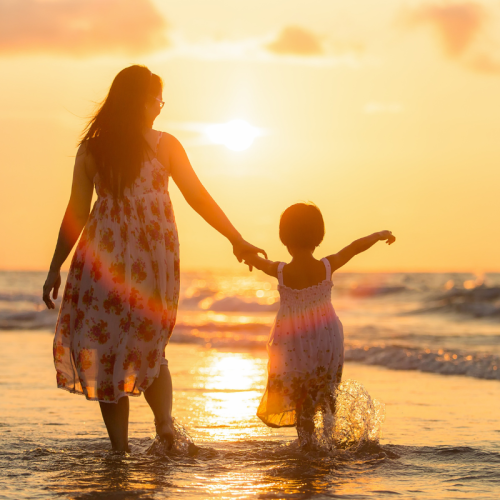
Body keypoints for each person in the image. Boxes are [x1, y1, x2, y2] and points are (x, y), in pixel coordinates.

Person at [42, 65, 265, 452]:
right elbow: (197, 196)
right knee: (148, 344)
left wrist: (55, 266)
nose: (161, 107)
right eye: (157, 98)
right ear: (141, 100)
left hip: (102, 262)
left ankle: (120, 450)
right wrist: (235, 239)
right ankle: (164, 429)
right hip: (151, 260)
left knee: (106, 348)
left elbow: (76, 213)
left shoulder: (93, 148)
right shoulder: (164, 145)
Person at [242, 203, 395, 448]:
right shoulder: (326, 266)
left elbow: (257, 261)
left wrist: (244, 254)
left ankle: (308, 445)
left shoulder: (280, 270)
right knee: (326, 391)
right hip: (327, 338)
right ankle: (329, 442)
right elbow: (354, 248)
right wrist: (378, 236)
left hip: (294, 342)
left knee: (302, 398)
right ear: (318, 237)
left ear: (284, 238)